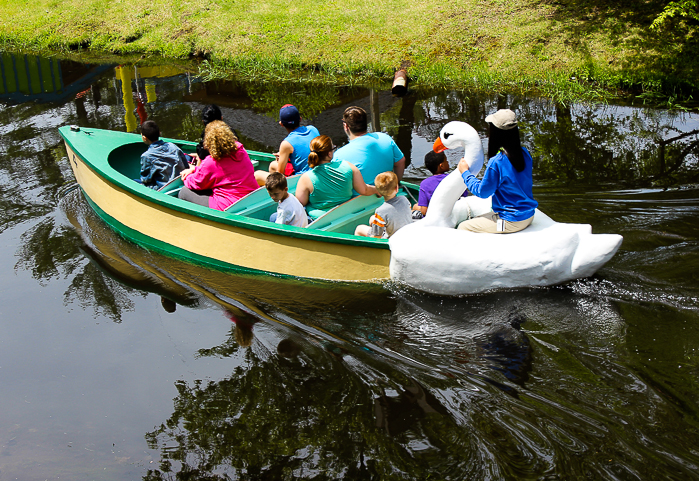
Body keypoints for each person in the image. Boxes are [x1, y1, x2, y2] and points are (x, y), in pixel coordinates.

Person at [456, 109, 537, 233]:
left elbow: (483, 192)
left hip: (510, 221)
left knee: (463, 227)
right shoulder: (525, 154)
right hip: (528, 215)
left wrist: (465, 173)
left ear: (496, 133)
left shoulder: (497, 162)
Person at [178, 120, 259, 210]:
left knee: (184, 192)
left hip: (229, 206)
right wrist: (195, 169)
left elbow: (196, 183)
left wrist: (187, 176)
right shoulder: (241, 151)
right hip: (250, 198)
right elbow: (216, 173)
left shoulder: (211, 162)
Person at [294, 135, 378, 213]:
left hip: (318, 221)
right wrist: (377, 189)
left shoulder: (306, 178)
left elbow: (299, 204)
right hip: (345, 214)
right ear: (329, 154)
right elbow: (364, 190)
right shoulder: (349, 167)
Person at [334, 106, 405, 188]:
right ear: (366, 123)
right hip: (387, 190)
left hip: (361, 198)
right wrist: (395, 184)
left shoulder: (338, 155)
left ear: (346, 126)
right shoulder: (385, 138)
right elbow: (400, 161)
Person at [254, 104, 319, 185]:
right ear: (300, 119)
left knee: (256, 175)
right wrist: (285, 156)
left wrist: (282, 156)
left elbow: (280, 174)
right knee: (273, 165)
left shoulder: (286, 143)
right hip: (318, 174)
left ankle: (279, 194)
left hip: (301, 181)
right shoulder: (313, 129)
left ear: (281, 124)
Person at [355, 171, 413, 238]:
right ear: (397, 188)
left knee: (359, 229)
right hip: (407, 234)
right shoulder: (404, 199)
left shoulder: (381, 211)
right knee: (372, 218)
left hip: (391, 239)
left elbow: (376, 237)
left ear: (378, 191)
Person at [413, 150, 469, 217]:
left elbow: (424, 211)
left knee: (415, 207)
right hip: (455, 213)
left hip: (435, 217)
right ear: (441, 166)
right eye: (446, 160)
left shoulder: (425, 184)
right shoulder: (454, 178)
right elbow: (464, 196)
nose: (448, 162)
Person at [138, 120, 189, 190]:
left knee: (135, 182)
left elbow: (146, 179)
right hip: (181, 183)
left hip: (164, 188)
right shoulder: (173, 146)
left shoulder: (147, 156)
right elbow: (186, 166)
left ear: (144, 137)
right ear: (159, 133)